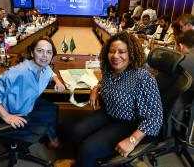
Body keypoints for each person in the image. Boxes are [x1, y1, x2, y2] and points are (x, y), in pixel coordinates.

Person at [70, 32, 163, 167]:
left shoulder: (143, 78)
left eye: (121, 52)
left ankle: (86, 160)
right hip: (109, 113)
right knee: (75, 132)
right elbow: (104, 81)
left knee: (87, 150)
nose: (115, 56)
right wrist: (95, 89)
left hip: (129, 123)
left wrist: (132, 140)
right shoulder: (110, 69)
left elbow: (156, 117)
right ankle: (83, 163)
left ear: (131, 54)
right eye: (112, 51)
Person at [0, 36, 65, 147]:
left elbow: (51, 74)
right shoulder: (18, 72)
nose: (45, 55)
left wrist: (57, 81)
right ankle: (53, 139)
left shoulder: (44, 68)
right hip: (11, 113)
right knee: (47, 117)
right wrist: (6, 116)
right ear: (32, 53)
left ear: (52, 56)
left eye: (49, 52)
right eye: (40, 51)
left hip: (25, 106)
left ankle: (52, 138)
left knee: (52, 108)